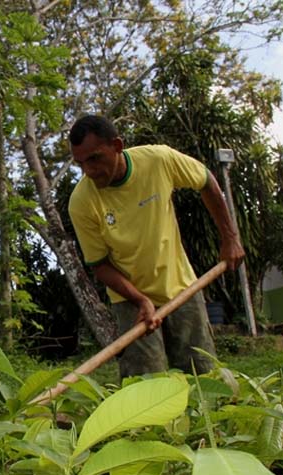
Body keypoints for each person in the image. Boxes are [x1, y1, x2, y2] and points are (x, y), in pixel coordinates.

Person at [67, 115, 245, 378]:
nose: (89, 171)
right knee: (144, 384)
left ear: (117, 145)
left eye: (94, 158)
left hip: (181, 286)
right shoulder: (81, 202)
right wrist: (141, 300)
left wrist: (230, 239)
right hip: (130, 300)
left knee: (203, 375)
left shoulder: (157, 160)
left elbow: (206, 181)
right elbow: (101, 267)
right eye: (80, 163)